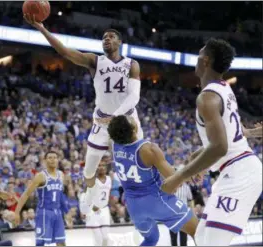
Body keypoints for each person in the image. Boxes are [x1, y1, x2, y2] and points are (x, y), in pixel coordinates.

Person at [23, 14, 143, 214]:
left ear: (120, 42)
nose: (107, 39)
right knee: (89, 169)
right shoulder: (94, 61)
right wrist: (42, 28)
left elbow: (134, 96)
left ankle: (140, 201)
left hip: (127, 119)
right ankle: (91, 190)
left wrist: (116, 117)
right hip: (102, 121)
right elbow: (64, 52)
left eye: (111, 36)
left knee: (139, 162)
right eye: (104, 37)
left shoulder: (132, 64)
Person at [162, 38, 263, 246]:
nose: (196, 59)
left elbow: (220, 147)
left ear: (206, 61)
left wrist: (178, 177)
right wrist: (196, 157)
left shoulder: (207, 97)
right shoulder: (224, 88)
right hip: (234, 171)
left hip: (240, 173)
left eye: (199, 54)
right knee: (200, 237)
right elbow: (233, 134)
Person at [107, 115, 198, 246]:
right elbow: (174, 177)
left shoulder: (115, 145)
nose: (133, 118)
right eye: (131, 120)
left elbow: (115, 129)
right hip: (157, 201)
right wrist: (194, 169)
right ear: (133, 129)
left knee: (151, 240)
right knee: (199, 231)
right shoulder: (148, 149)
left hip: (133, 206)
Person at [14, 151, 66, 246]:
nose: (53, 160)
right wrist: (17, 212)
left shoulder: (61, 175)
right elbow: (26, 194)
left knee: (61, 242)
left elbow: (61, 195)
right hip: (44, 213)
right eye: (50, 157)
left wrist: (67, 212)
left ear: (58, 160)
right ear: (45, 161)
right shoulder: (41, 176)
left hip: (57, 213)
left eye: (55, 157)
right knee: (41, 243)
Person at [80, 155, 112, 246]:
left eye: (103, 165)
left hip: (104, 209)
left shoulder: (109, 179)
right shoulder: (92, 180)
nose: (101, 167)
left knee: (106, 237)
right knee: (98, 238)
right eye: (99, 165)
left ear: (106, 167)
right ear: (96, 168)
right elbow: (84, 195)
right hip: (93, 211)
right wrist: (88, 208)